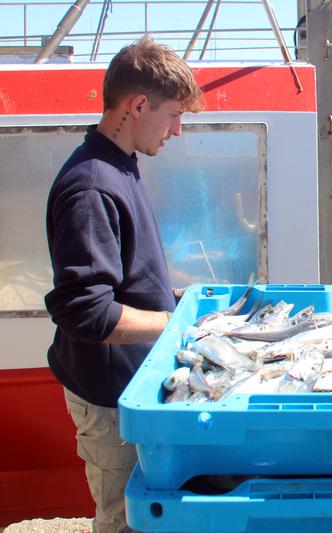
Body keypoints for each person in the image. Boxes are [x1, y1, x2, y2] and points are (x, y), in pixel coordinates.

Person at [44, 37, 203, 532]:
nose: (178, 129)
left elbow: (123, 274)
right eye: (174, 115)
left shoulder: (121, 166)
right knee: (125, 520)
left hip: (132, 387)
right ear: (137, 105)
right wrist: (182, 323)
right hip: (110, 400)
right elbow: (86, 312)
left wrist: (179, 297)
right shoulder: (92, 185)